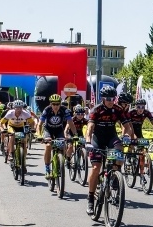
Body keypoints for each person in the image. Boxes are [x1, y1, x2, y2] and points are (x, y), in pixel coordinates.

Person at [85, 86, 134, 214]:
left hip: (111, 138)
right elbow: (90, 127)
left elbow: (127, 126)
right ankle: (90, 198)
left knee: (119, 151)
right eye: (108, 99)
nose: (111, 101)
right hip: (97, 140)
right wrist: (88, 141)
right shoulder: (96, 109)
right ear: (103, 99)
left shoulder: (117, 109)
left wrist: (127, 136)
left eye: (113, 98)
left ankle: (114, 176)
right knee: (96, 167)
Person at [39, 94, 77, 178]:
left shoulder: (64, 110)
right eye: (53, 104)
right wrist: (38, 135)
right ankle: (47, 168)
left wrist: (75, 135)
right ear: (50, 104)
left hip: (59, 130)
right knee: (48, 146)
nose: (55, 106)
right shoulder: (47, 110)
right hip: (48, 130)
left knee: (62, 145)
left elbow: (71, 123)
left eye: (57, 104)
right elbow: (40, 124)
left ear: (60, 104)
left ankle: (60, 162)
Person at [0, 100, 35, 165]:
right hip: (11, 126)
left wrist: (32, 129)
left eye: (20, 108)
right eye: (17, 108)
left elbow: (32, 122)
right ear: (14, 108)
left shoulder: (25, 113)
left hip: (21, 127)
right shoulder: (10, 113)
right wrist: (2, 129)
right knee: (12, 135)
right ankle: (11, 153)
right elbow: (1, 122)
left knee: (24, 141)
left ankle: (23, 160)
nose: (19, 109)